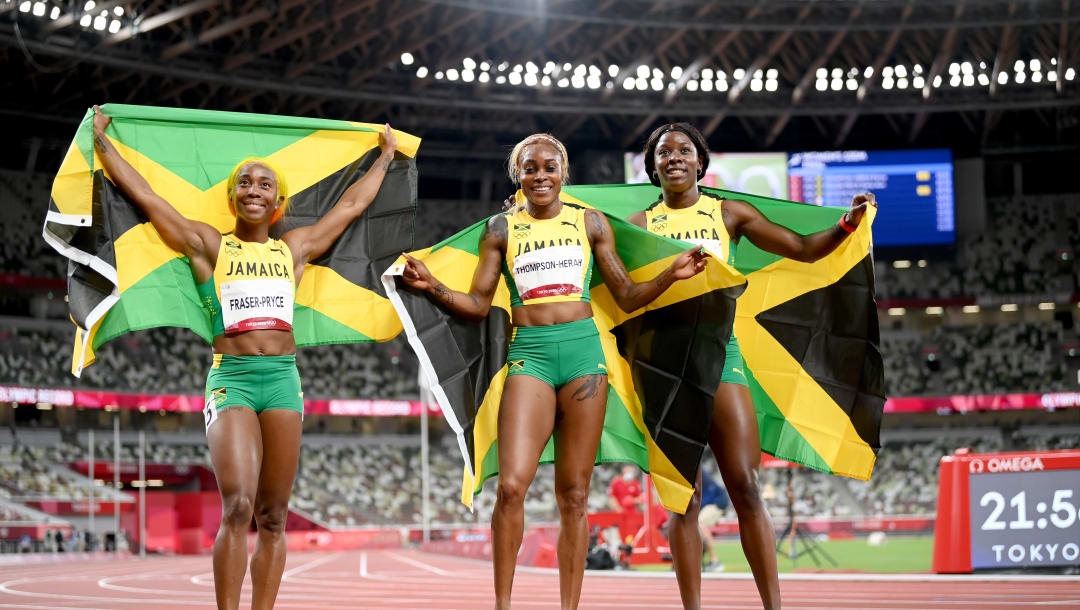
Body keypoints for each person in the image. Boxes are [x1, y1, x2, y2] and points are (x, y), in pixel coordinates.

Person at [92, 106, 398, 610]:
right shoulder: (209, 246)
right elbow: (147, 198)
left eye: (265, 186)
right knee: (238, 507)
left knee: (274, 515)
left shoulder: (294, 250)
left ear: (278, 202)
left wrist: (385, 157)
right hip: (230, 379)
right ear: (233, 195)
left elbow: (348, 209)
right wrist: (105, 147)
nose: (254, 190)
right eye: (246, 183)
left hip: (283, 381)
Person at [400, 133, 708, 610]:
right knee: (510, 486)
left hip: (585, 357)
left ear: (564, 172)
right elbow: (480, 304)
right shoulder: (500, 229)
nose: (539, 175)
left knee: (574, 496)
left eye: (548, 167)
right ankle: (502, 604)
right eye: (529, 168)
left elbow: (625, 295)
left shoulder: (590, 223)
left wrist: (670, 274)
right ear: (517, 176)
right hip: (532, 357)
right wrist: (433, 285)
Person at [628, 122, 875, 610]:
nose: (673, 158)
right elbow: (604, 280)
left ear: (701, 162)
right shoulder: (638, 226)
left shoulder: (730, 213)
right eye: (663, 152)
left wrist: (847, 224)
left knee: (744, 484)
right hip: (665, 367)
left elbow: (804, 250)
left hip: (723, 357)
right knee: (683, 499)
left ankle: (773, 606)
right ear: (652, 167)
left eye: (683, 151)